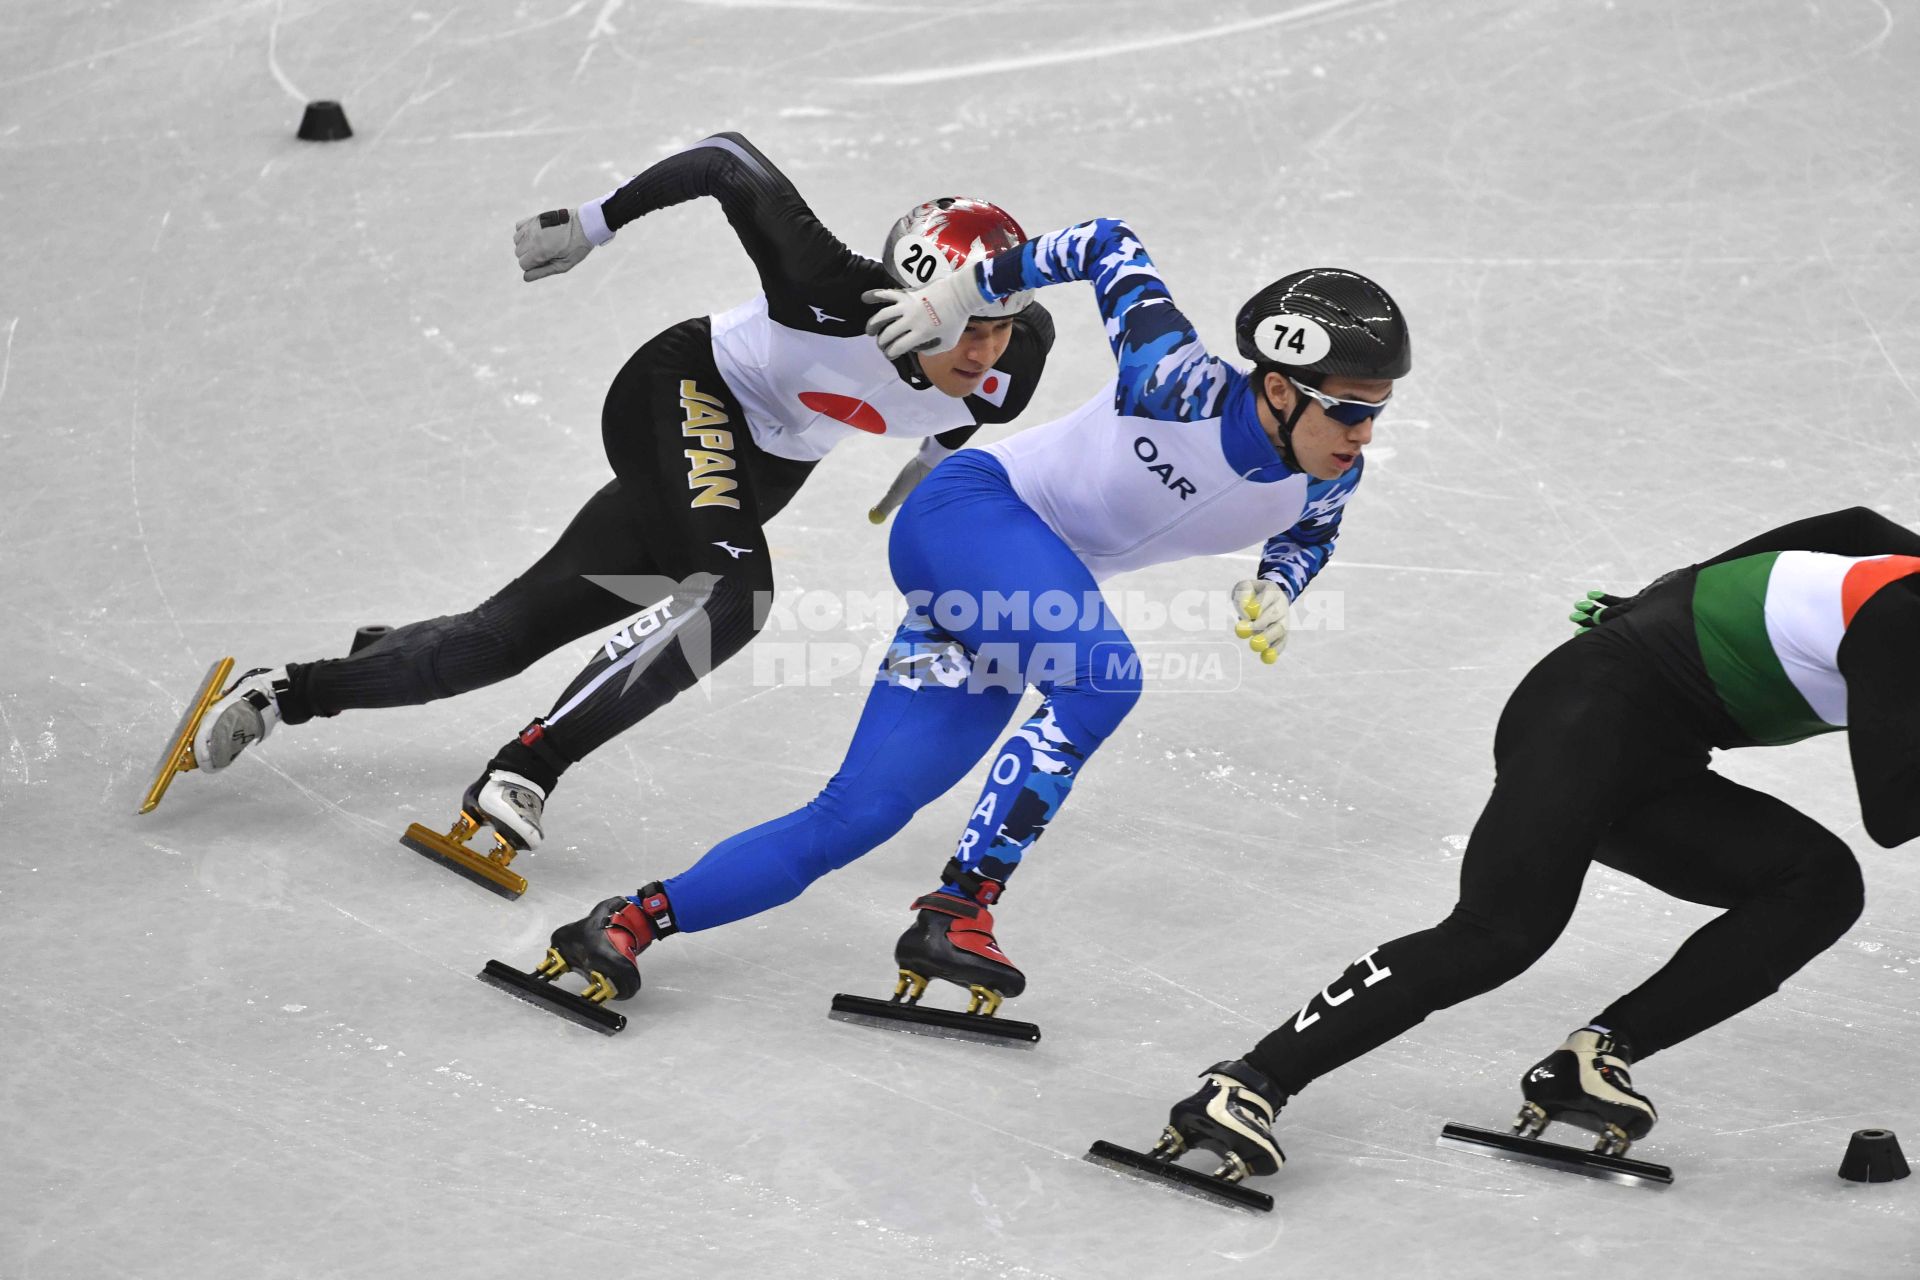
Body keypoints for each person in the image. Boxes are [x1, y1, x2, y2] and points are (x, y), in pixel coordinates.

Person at [528, 216, 1411, 1019]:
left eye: (1378, 411)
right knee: (1103, 678)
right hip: (970, 517)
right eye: (1348, 408)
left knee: (858, 814)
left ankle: (631, 922)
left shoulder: (1332, 472)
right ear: (1282, 389)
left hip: (1009, 599)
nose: (1363, 433)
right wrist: (960, 294)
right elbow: (1107, 243)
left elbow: (1307, 538)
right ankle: (961, 908)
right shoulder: (1172, 378)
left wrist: (1278, 588)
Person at [151, 132, 1055, 873]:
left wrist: (927, 465)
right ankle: (529, 766)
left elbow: (975, 408)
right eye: (964, 326)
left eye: (999, 325)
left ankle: (288, 691)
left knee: (494, 643)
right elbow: (726, 160)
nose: (983, 350)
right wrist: (591, 224)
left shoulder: (1016, 352)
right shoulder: (828, 285)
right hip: (683, 388)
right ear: (912, 296)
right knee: (735, 600)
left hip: (759, 472)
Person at [1142, 506, 1920, 1188]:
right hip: (1588, 709)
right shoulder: (1900, 622)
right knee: (1498, 932)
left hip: (1661, 760)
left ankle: (1590, 1060)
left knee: (1817, 882)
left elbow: (1852, 525)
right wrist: (1666, 602)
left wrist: (1676, 589)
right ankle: (1244, 1084)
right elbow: (1892, 809)